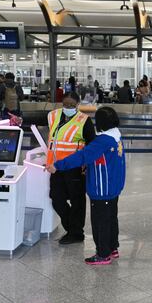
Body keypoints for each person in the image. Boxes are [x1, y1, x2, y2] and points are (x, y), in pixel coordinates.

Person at [47, 107, 124, 265]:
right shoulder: (117, 137)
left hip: (102, 189)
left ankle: (103, 254)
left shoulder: (102, 141)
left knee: (100, 221)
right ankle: (112, 248)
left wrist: (58, 165)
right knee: (110, 219)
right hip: (113, 187)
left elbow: (82, 156)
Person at [46, 92, 96, 244]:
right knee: (56, 199)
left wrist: (87, 165)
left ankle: (75, 233)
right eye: (65, 104)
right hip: (56, 167)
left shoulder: (84, 121)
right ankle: (72, 228)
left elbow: (91, 145)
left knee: (77, 201)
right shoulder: (53, 116)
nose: (68, 107)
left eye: (71, 105)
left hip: (75, 168)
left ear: (78, 105)